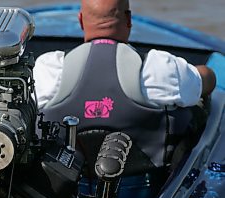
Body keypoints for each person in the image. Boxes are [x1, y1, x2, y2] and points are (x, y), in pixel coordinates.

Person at [33, 0, 216, 170]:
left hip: (65, 190)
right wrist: (201, 73)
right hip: (143, 186)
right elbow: (206, 81)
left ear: (81, 21)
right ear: (129, 19)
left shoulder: (49, 68)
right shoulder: (159, 67)